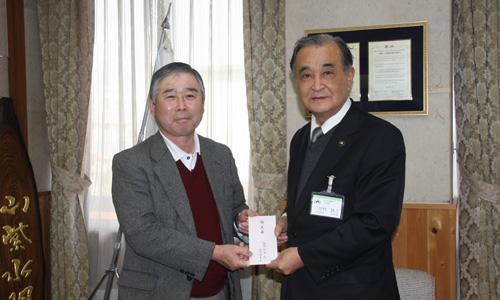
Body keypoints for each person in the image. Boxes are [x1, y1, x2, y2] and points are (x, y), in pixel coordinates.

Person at [267, 34, 406, 299]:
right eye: (306, 75)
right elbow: (311, 196)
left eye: (328, 73)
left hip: (353, 289)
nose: (316, 85)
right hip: (300, 288)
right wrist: (287, 220)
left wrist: (303, 255)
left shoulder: (380, 137)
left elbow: (374, 224)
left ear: (349, 76)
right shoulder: (300, 138)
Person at [112, 62, 255, 300]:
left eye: (190, 95)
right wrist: (214, 252)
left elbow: (236, 207)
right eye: (170, 97)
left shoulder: (221, 155)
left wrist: (242, 220)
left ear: (202, 104)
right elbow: (144, 235)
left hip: (221, 290)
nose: (181, 106)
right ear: (152, 106)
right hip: (160, 293)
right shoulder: (131, 162)